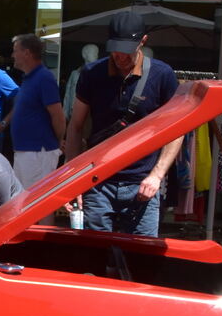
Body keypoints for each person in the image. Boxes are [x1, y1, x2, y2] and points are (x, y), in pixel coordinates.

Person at [64, 12, 181, 237]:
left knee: (141, 259)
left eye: (126, 48)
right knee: (94, 255)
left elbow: (177, 130)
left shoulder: (162, 74)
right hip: (97, 180)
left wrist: (157, 175)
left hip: (143, 181)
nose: (119, 55)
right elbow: (75, 126)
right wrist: (73, 179)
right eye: (114, 48)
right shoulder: (91, 73)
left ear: (143, 42)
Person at [9, 33, 66, 190]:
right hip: (27, 152)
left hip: (38, 153)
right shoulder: (30, 78)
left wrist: (57, 142)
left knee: (33, 202)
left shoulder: (44, 78)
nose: (13, 55)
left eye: (15, 50)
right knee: (22, 200)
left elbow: (58, 116)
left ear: (26, 53)